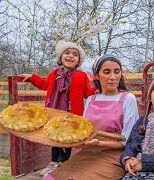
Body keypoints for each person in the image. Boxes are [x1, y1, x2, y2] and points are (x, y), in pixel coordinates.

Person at [44, 54, 140, 180]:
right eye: (106, 72)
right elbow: (85, 130)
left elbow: (127, 141)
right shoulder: (91, 99)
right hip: (89, 151)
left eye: (117, 72)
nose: (113, 77)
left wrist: (99, 143)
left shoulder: (128, 99)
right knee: (51, 178)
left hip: (115, 153)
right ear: (97, 75)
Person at [20, 40, 96, 176]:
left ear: (78, 61)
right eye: (67, 53)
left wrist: (97, 87)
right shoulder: (54, 73)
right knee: (54, 138)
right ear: (61, 57)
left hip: (71, 114)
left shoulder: (81, 75)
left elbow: (86, 92)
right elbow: (44, 84)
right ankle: (54, 161)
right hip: (53, 111)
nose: (70, 56)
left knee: (67, 138)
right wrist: (32, 77)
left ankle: (63, 163)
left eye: (75, 55)